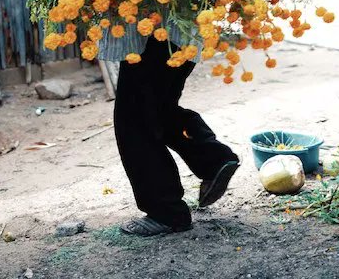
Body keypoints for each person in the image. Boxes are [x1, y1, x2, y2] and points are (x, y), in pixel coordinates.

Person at [100, 28, 240, 236]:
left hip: (155, 31)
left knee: (134, 119)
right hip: (180, 31)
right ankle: (213, 160)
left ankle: (165, 212)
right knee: (158, 109)